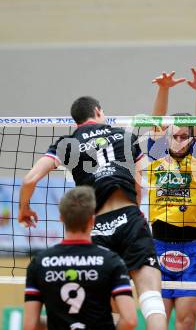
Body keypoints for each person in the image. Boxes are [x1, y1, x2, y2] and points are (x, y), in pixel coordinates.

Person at [18, 96, 167, 329]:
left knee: (108, 304)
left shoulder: (67, 143)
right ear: (98, 111)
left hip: (96, 225)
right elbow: (140, 185)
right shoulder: (125, 136)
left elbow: (29, 179)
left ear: (76, 120)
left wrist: (24, 208)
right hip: (129, 216)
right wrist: (135, 213)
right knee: (151, 298)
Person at [147, 66, 196, 330]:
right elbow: (156, 121)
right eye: (175, 136)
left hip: (192, 249)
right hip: (158, 247)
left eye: (186, 136)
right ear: (168, 137)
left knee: (185, 322)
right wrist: (163, 89)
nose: (180, 141)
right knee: (159, 321)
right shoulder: (155, 157)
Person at [24, 186, 137, 330]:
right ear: (92, 220)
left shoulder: (39, 263)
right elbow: (130, 320)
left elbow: (30, 325)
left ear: (61, 218)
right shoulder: (112, 261)